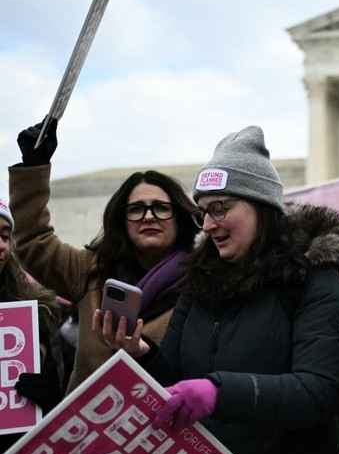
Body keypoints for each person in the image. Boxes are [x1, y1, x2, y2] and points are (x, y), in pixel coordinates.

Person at [100, 126, 339, 454]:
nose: (209, 223)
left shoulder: (314, 281)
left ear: (260, 207)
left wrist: (220, 391)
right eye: (203, 210)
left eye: (221, 207)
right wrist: (143, 354)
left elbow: (321, 391)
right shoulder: (199, 285)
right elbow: (179, 381)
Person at [9, 118, 198, 393]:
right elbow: (32, 240)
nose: (148, 217)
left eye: (160, 207)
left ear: (179, 216)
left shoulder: (203, 281)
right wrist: (33, 168)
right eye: (136, 209)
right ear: (121, 220)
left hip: (159, 429)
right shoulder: (89, 270)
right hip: (85, 427)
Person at [0, 200, 62, 454]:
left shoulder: (35, 312)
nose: (0, 245)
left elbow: (62, 395)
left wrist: (50, 395)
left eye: (5, 235)